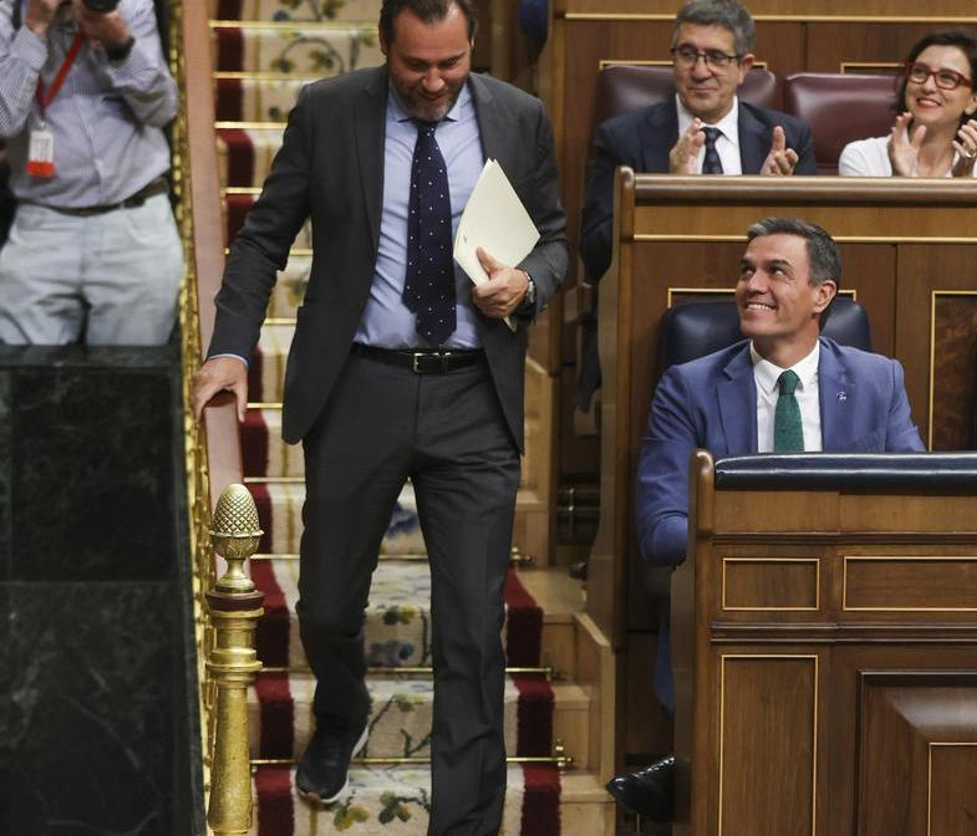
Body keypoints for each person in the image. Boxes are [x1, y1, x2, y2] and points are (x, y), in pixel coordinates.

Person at [190, 0, 568, 831]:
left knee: (473, 629)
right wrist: (229, 350)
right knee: (325, 602)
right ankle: (340, 711)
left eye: (451, 64)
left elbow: (556, 238)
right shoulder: (329, 110)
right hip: (360, 385)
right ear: (383, 47)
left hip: (475, 393)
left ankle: (463, 822)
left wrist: (529, 281)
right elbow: (262, 241)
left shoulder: (518, 114)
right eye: (415, 67)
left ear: (471, 47)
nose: (434, 83)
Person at [607, 216, 925, 822]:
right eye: (746, 270)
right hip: (733, 612)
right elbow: (659, 527)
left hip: (848, 614)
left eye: (776, 271)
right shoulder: (690, 387)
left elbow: (911, 509)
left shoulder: (878, 381)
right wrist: (770, 546)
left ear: (822, 296)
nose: (753, 284)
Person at [575, 0, 816, 410]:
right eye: (687, 54)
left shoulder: (788, 137)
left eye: (717, 57)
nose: (700, 71)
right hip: (649, 325)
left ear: (745, 66)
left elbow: (818, 257)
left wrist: (775, 203)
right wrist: (667, 192)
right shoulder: (622, 138)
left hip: (770, 321)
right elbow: (595, 253)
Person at [0, 0, 182, 344]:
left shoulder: (128, 7)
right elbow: (3, 119)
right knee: (23, 385)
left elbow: (162, 110)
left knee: (133, 382)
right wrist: (36, 26)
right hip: (41, 225)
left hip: (135, 223)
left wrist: (120, 43)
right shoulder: (7, 13)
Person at [839, 30, 977, 179]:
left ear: (973, 101)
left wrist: (965, 179)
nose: (928, 87)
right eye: (919, 72)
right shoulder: (862, 157)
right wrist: (898, 180)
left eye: (947, 78)